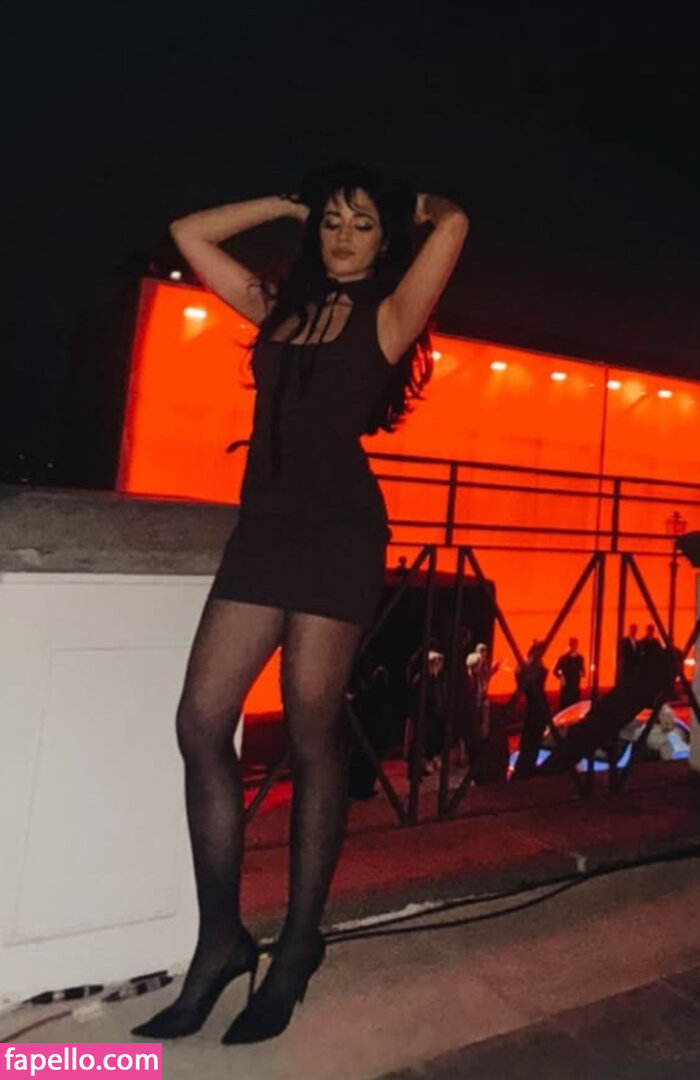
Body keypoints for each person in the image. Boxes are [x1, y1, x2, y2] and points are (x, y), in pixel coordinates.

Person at [131, 161, 468, 1045]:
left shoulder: (389, 315)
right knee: (202, 721)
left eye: (362, 224)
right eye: (331, 222)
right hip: (265, 532)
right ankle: (220, 941)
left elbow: (455, 225)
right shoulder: (279, 307)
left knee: (314, 734)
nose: (343, 236)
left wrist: (412, 205)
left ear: (385, 242)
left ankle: (299, 944)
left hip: (337, 535)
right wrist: (285, 203)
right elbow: (189, 233)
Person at [512, 640, 551, 779]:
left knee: (534, 737)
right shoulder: (528, 666)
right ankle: (524, 767)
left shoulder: (531, 665)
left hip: (538, 703)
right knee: (532, 736)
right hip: (536, 703)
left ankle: (526, 766)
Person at [465, 642, 500, 742]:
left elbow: (487, 674)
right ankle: (475, 738)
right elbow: (473, 668)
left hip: (483, 696)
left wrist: (494, 669)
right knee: (475, 719)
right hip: (475, 698)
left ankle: (483, 737)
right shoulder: (475, 659)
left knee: (484, 719)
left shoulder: (484, 663)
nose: (485, 653)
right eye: (483, 651)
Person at [553, 636, 586, 711]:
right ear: (570, 645)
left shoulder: (580, 658)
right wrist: (562, 678)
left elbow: (583, 671)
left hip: (575, 687)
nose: (574, 647)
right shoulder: (563, 658)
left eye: (575, 645)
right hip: (566, 688)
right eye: (573, 644)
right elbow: (555, 671)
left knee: (575, 708)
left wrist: (582, 673)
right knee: (566, 708)